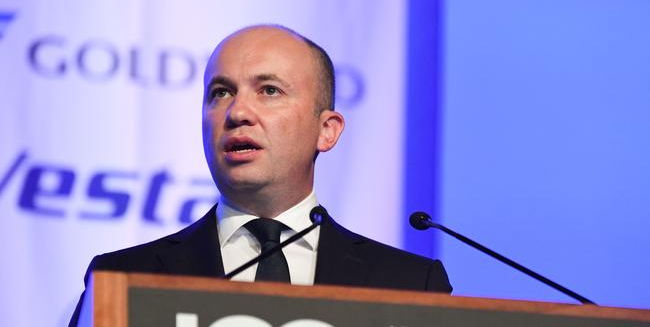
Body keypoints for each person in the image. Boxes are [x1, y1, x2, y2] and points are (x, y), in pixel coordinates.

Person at [69, 25, 451, 325]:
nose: (237, 112)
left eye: (269, 90)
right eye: (220, 92)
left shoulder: (408, 284)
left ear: (327, 130)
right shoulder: (123, 278)